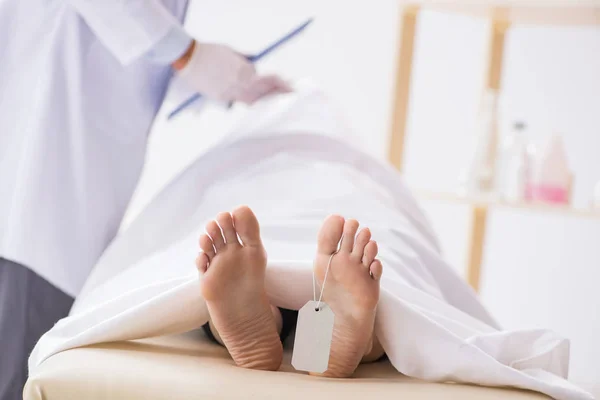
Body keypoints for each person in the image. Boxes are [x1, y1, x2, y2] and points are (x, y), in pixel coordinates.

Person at [0, 0, 290, 398]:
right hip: (42, 181)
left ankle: (277, 320)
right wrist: (188, 54)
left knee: (32, 340)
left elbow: (130, 55)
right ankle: (289, 323)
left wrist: (200, 73)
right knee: (23, 350)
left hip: (70, 174)